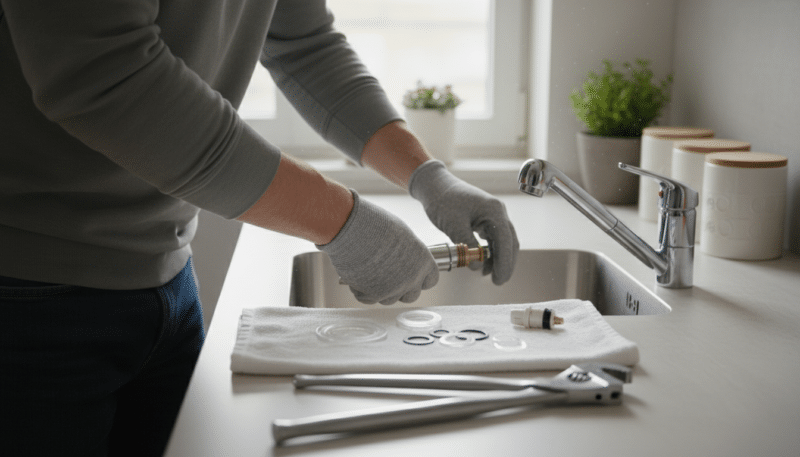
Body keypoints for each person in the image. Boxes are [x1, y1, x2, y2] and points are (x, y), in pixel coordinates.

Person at [0, 0, 519, 455]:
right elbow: (105, 75)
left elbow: (306, 43)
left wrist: (428, 177)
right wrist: (341, 220)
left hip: (170, 281)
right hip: (29, 299)